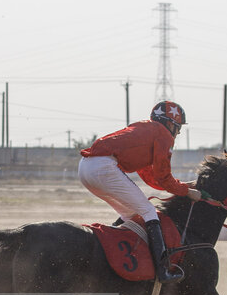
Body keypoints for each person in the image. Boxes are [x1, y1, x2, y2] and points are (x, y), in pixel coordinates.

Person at [79, 101, 202, 283]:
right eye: (178, 128)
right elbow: (163, 176)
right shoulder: (164, 135)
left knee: (132, 214)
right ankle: (162, 270)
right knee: (148, 211)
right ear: (170, 124)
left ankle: (112, 259)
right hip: (102, 167)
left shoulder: (145, 129)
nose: (178, 133)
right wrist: (186, 191)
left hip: (85, 168)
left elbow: (152, 177)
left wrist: (182, 186)